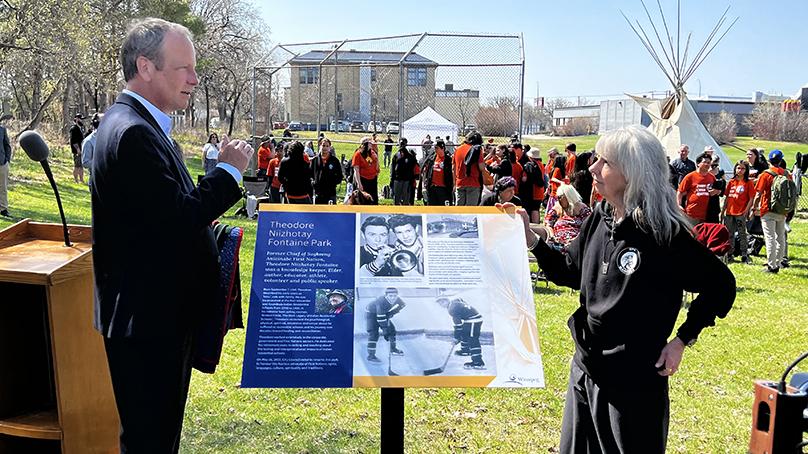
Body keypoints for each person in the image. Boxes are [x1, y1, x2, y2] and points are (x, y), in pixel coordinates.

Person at [511, 125, 734, 453]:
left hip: (633, 383)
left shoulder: (663, 235)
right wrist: (533, 242)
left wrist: (682, 339)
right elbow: (571, 270)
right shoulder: (601, 216)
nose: (592, 168)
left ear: (633, 173)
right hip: (585, 368)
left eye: (605, 162)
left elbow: (721, 285)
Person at [91, 18, 253, 453]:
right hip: (148, 324)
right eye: (184, 68)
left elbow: (158, 217)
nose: (194, 79)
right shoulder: (133, 134)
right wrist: (229, 171)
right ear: (146, 67)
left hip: (153, 318)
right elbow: (179, 217)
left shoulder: (135, 125)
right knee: (150, 443)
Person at [751, 149, 792, 273]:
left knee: (770, 238)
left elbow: (758, 194)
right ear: (780, 161)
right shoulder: (786, 174)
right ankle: (779, 263)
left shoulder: (765, 174)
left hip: (767, 209)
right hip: (782, 210)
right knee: (780, 238)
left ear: (769, 161)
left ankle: (771, 265)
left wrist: (754, 208)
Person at [436, 297, 485, 369]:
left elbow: (458, 325)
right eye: (440, 303)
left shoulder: (452, 309)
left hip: (474, 320)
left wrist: (456, 338)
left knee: (473, 340)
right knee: (464, 333)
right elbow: (460, 299)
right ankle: (465, 350)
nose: (441, 305)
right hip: (469, 319)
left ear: (447, 300)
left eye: (443, 302)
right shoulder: (454, 302)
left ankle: (478, 362)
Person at [722, 160, 755, 263]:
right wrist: (723, 210)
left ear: (746, 170)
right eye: (738, 168)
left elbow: (751, 198)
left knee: (742, 233)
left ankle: (744, 253)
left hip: (740, 212)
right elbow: (727, 197)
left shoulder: (748, 182)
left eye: (743, 168)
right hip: (729, 212)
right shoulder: (731, 182)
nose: (740, 170)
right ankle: (730, 253)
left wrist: (747, 211)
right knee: (729, 233)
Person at [542, 184, 592, 251]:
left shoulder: (583, 209)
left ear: (568, 197)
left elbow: (590, 228)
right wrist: (552, 235)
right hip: (557, 243)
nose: (558, 200)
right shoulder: (557, 208)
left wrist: (577, 239)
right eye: (557, 197)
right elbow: (548, 224)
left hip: (576, 244)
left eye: (560, 197)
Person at [365, 288, 406, 363]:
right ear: (386, 296)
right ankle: (371, 356)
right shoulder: (380, 301)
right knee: (373, 334)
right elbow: (380, 318)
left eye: (395, 296)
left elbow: (403, 305)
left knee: (392, 330)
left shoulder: (397, 299)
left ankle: (393, 349)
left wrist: (391, 313)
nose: (393, 298)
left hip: (383, 314)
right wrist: (385, 330)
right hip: (371, 314)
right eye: (390, 296)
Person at [677, 153, 718, 224]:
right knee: (692, 233)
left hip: (707, 214)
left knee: (704, 234)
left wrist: (718, 190)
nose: (707, 164)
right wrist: (679, 205)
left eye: (708, 163)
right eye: (704, 162)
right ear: (698, 164)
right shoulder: (690, 177)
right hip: (692, 213)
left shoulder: (712, 177)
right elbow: (680, 192)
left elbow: (715, 192)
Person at [453, 131, 485, 206]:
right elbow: (481, 167)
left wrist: (455, 183)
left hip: (460, 182)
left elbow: (453, 168)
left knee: (459, 210)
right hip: (473, 183)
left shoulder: (458, 149)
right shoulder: (476, 149)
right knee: (470, 211)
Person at [420, 140, 453, 206]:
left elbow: (453, 173)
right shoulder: (432, 159)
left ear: (442, 148)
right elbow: (425, 172)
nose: (434, 149)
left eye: (436, 147)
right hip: (432, 188)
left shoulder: (449, 160)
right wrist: (424, 187)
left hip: (444, 189)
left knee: (444, 210)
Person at [311, 138, 342, 204]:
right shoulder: (315, 160)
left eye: (327, 146)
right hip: (318, 193)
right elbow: (310, 174)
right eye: (323, 145)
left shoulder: (334, 161)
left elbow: (339, 176)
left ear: (330, 147)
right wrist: (314, 183)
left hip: (330, 193)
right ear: (320, 146)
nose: (325, 148)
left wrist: (332, 183)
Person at [352, 137, 380, 204]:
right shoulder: (358, 154)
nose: (371, 144)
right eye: (369, 143)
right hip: (363, 179)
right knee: (363, 199)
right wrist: (359, 184)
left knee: (373, 199)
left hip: (372, 179)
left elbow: (375, 164)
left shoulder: (372, 153)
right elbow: (356, 170)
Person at [522, 147, 546, 223]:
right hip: (540, 190)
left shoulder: (530, 165)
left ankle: (534, 225)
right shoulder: (540, 164)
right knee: (536, 208)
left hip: (533, 191)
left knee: (534, 209)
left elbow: (526, 179)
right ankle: (537, 223)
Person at [390, 140, 416, 205]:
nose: (402, 146)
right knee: (396, 197)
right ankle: (396, 211)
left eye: (403, 144)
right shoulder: (396, 155)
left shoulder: (409, 155)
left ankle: (405, 211)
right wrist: (392, 179)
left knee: (405, 197)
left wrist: (414, 156)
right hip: (397, 179)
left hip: (406, 179)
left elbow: (413, 166)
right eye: (401, 144)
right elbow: (393, 167)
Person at [81, 113, 102, 186]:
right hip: (96, 182)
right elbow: (85, 162)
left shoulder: (110, 139)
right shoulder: (89, 141)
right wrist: (101, 163)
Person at [706, 155, 726, 223]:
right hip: (707, 197)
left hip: (716, 198)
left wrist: (720, 191)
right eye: (713, 164)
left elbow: (724, 183)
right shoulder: (706, 171)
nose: (714, 166)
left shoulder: (720, 171)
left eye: (716, 164)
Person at [69, 113, 87, 183]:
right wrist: (77, 149)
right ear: (76, 119)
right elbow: (73, 140)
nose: (81, 121)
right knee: (77, 166)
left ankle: (81, 180)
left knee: (81, 166)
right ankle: (76, 180)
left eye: (82, 119)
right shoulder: (74, 129)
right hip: (77, 151)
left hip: (81, 149)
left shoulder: (80, 128)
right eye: (80, 119)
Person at [0, 116, 11, 217]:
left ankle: (3, 209)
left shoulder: (2, 130)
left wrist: (7, 159)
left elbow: (7, 145)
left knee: (3, 187)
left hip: (2, 163)